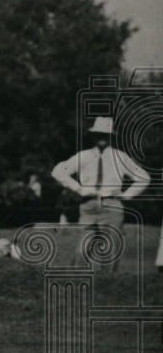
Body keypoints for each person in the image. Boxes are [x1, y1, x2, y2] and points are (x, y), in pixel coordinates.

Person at [51, 116, 150, 271]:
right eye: (99, 134)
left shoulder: (120, 157)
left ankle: (107, 286)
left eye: (106, 135)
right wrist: (78, 189)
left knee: (111, 251)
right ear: (94, 136)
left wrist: (126, 195)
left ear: (111, 136)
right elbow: (57, 172)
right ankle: (78, 281)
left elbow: (143, 177)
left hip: (112, 205)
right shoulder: (84, 156)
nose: (102, 138)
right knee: (82, 249)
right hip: (88, 205)